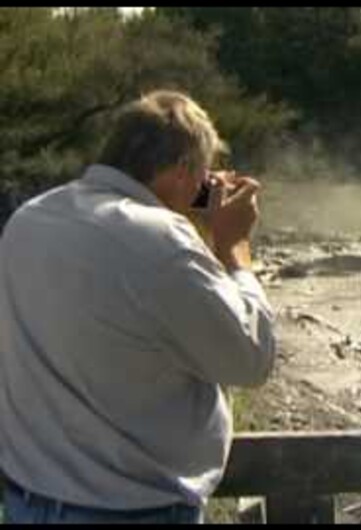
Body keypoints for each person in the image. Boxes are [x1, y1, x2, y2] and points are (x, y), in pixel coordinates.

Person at [0, 90, 276, 523]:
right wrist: (233, 246)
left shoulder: (30, 219)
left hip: (29, 499)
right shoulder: (162, 243)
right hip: (133, 510)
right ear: (185, 170)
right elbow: (250, 358)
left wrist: (192, 227)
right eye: (203, 176)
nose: (206, 187)